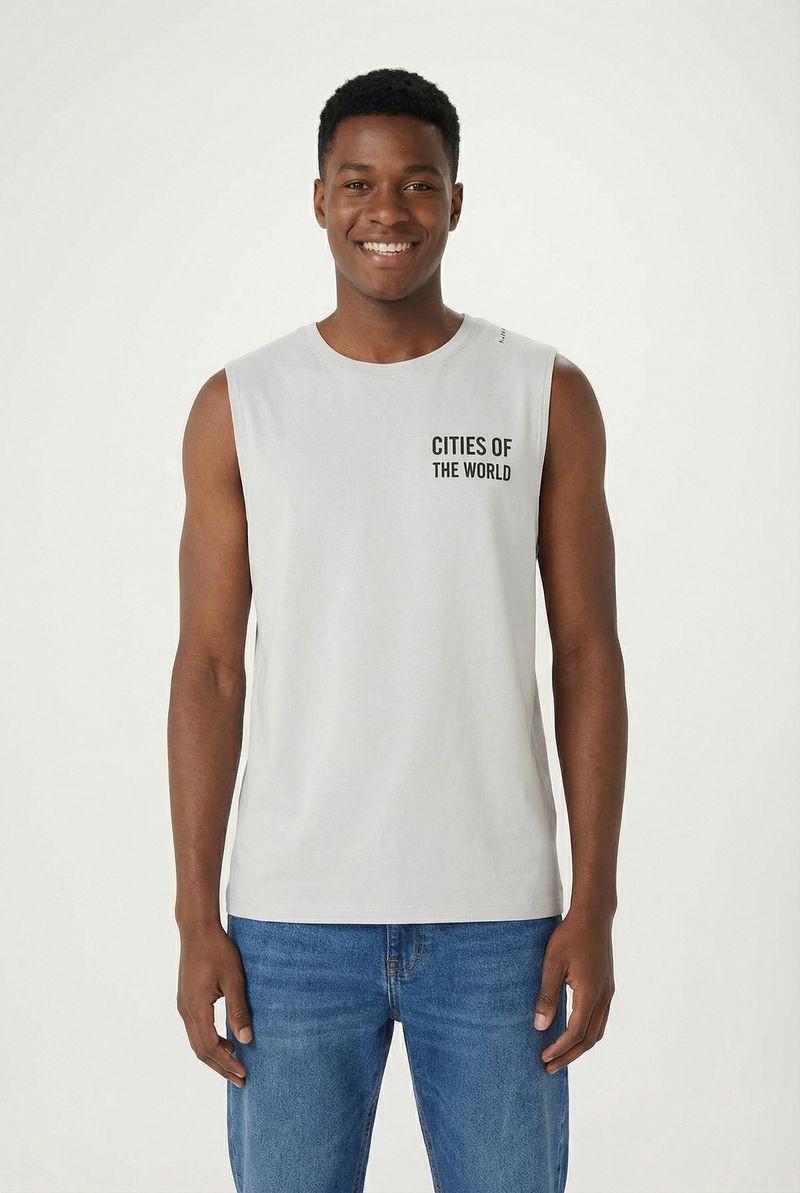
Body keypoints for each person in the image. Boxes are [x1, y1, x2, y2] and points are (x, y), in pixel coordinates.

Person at [167, 66, 627, 1193]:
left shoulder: (541, 392)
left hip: (500, 924)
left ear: (455, 202)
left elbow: (586, 656)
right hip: (289, 922)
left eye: (418, 183)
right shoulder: (242, 404)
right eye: (358, 182)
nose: (388, 210)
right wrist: (193, 916)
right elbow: (211, 670)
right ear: (319, 199)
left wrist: (594, 903)